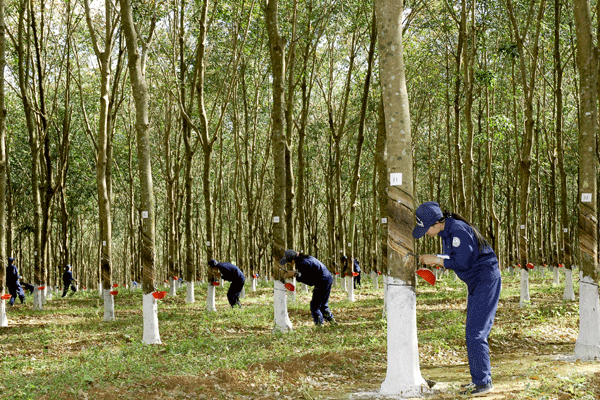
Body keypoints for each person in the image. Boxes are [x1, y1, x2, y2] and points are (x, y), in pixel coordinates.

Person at [412, 201, 501, 396]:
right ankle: (478, 380)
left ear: (436, 223)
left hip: (485, 280)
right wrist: (435, 257)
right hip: (477, 283)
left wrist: (436, 260)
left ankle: (484, 383)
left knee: (476, 333)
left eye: (426, 228)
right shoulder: (448, 231)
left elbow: (463, 262)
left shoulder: (458, 230)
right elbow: (455, 254)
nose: (425, 233)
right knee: (473, 331)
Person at [280, 249, 336, 326]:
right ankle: (332, 321)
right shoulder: (304, 258)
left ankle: (319, 325)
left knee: (315, 305)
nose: (288, 264)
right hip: (327, 278)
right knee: (323, 304)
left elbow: (310, 281)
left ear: (292, 261)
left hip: (322, 281)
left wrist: (295, 275)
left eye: (288, 262)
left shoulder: (302, 263)